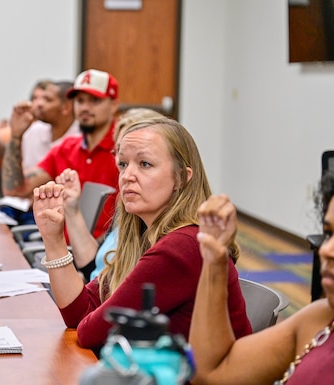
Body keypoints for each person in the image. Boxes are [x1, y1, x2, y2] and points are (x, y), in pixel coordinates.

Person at [32, 117, 252, 350]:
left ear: (181, 177)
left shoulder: (181, 247)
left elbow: (90, 333)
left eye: (145, 164)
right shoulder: (144, 236)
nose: (127, 176)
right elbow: (81, 313)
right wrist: (53, 239)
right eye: (123, 164)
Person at [189, 154, 334, 385]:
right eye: (330, 233)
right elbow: (212, 374)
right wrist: (214, 259)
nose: (327, 250)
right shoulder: (322, 318)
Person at [2, 69, 121, 239]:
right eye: (80, 101)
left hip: (108, 255)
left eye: (95, 101)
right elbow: (14, 190)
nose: (85, 107)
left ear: (113, 105)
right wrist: (16, 136)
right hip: (63, 251)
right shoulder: (66, 148)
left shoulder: (124, 151)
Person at [55, 108, 166, 282]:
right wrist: (71, 209)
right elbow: (95, 266)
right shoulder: (128, 205)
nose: (127, 173)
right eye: (121, 158)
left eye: (144, 162)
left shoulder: (152, 216)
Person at [0, 80, 79, 173]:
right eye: (36, 98)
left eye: (47, 100)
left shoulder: (80, 141)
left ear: (66, 107)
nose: (39, 104)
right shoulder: (35, 130)